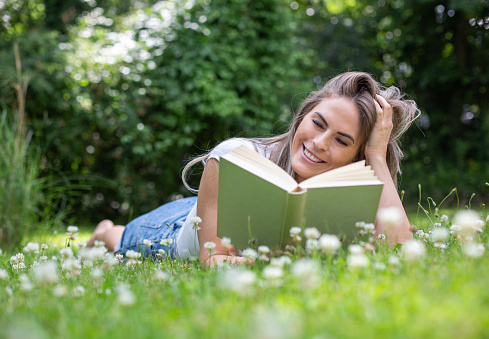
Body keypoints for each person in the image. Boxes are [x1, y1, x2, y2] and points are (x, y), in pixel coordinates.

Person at [86, 71, 419, 265]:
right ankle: (104, 230)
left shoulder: (358, 182)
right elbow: (214, 260)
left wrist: (377, 156)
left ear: (355, 156)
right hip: (174, 230)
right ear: (303, 115)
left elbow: (403, 253)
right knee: (123, 241)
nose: (319, 143)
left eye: (342, 141)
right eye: (318, 123)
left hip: (209, 206)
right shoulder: (234, 156)